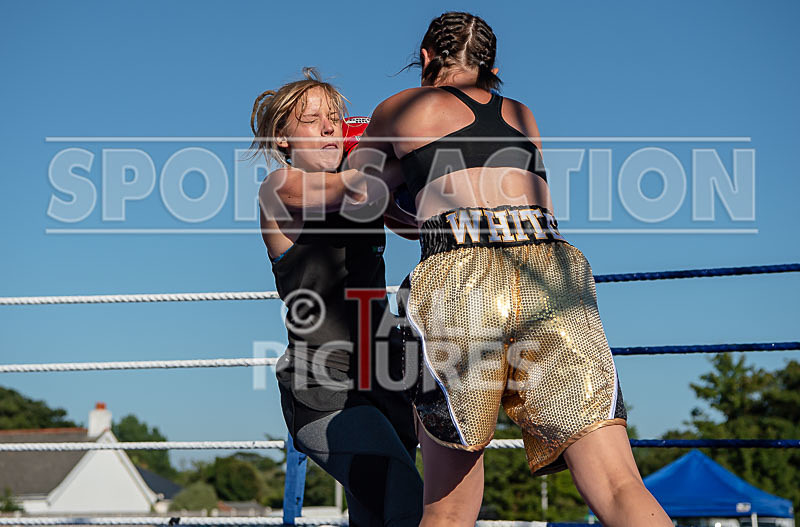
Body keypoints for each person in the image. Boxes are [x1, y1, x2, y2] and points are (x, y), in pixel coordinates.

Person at [350, 13, 672, 527]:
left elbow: (356, 201)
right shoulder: (523, 114)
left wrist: (378, 168)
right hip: (552, 270)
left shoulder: (401, 107)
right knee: (617, 483)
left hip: (463, 273)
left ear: (427, 58)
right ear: (492, 67)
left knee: (450, 508)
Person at [250, 68, 423, 527]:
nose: (328, 127)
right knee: (406, 498)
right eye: (311, 120)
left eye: (335, 117)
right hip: (323, 386)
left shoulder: (364, 180)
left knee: (374, 514)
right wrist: (398, 147)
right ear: (282, 139)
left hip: (386, 378)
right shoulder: (278, 187)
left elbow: (420, 224)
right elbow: (360, 190)